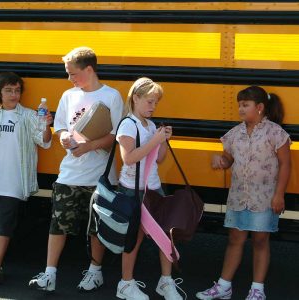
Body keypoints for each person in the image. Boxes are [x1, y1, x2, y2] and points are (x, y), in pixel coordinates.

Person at [29, 47, 124, 292]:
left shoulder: (111, 96)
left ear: (89, 69)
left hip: (101, 176)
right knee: (58, 223)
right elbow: (61, 127)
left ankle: (95, 272)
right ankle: (49, 274)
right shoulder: (68, 95)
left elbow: (117, 135)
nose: (69, 78)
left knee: (97, 228)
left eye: (72, 73)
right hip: (70, 172)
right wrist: (62, 138)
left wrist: (90, 145)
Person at [196, 86, 291, 300]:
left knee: (260, 240)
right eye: (239, 104)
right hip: (239, 196)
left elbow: (286, 165)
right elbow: (229, 158)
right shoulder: (235, 133)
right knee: (235, 239)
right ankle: (224, 286)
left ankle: (257, 289)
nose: (240, 108)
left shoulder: (275, 133)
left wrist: (279, 195)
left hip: (264, 198)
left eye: (245, 105)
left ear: (259, 108)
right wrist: (221, 160)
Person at [115, 77, 184, 300]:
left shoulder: (150, 124)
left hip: (153, 188)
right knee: (135, 238)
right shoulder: (128, 124)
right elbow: (129, 158)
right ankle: (125, 284)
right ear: (135, 98)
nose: (153, 107)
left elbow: (159, 159)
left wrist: (163, 140)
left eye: (156, 102)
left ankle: (166, 281)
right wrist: (154, 141)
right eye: (149, 101)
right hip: (133, 191)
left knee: (165, 234)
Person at [0, 72, 52, 284]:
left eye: (17, 90)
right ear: (0, 93)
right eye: (8, 90)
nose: (14, 94)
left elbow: (44, 141)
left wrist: (46, 125)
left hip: (13, 181)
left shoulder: (29, 115)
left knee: (4, 225)